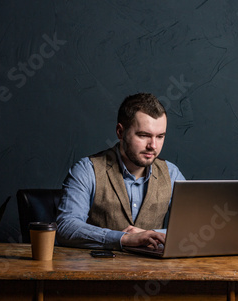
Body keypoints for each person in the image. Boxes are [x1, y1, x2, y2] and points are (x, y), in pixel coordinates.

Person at [56, 93, 185, 250]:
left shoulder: (171, 173)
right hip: (98, 270)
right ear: (120, 132)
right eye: (144, 135)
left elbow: (194, 227)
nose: (153, 145)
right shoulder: (87, 170)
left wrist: (151, 234)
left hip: (154, 272)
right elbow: (66, 227)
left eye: (160, 136)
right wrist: (124, 239)